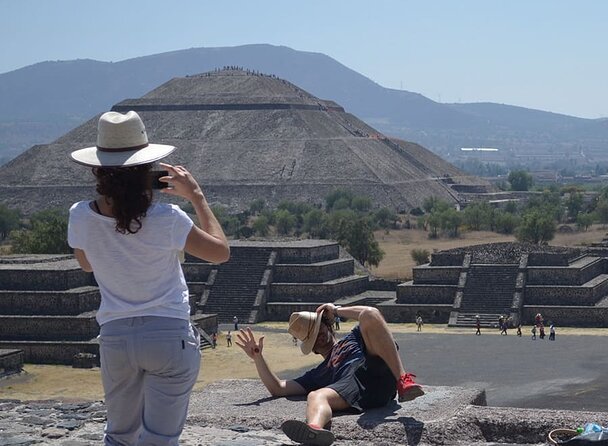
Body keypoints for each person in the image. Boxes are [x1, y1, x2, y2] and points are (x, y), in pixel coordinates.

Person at [67, 111, 230, 445]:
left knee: (119, 436)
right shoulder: (168, 217)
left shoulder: (79, 215)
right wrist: (197, 196)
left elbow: (86, 264)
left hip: (115, 338)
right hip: (168, 335)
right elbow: (220, 252)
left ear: (98, 171)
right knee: (160, 439)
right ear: (147, 171)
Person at [236, 304, 424, 446]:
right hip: (354, 391)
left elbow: (370, 314)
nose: (319, 335)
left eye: (320, 328)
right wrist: (257, 357)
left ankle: (403, 380)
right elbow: (278, 388)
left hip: (375, 368)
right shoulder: (319, 373)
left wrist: (336, 310)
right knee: (316, 395)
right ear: (312, 348)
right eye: (313, 336)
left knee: (369, 314)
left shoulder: (354, 337)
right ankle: (315, 431)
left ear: (328, 325)